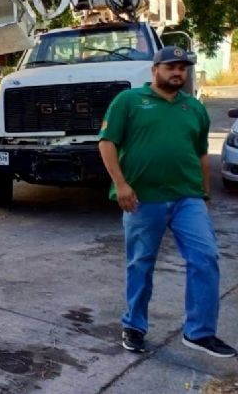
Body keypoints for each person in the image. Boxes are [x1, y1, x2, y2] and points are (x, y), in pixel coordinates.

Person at [98, 46, 236, 358]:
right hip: (143, 199)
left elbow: (201, 153)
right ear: (155, 70)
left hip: (188, 198)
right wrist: (120, 184)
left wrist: (204, 194)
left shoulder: (194, 108)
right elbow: (107, 143)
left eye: (182, 68)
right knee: (141, 264)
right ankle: (134, 326)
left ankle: (199, 333)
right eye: (171, 67)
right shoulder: (129, 101)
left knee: (206, 257)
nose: (177, 73)